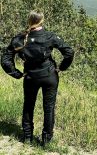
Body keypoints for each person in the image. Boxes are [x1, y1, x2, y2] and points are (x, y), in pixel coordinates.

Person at [1, 11, 74, 146]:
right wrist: (62, 67)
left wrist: (16, 73)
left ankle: (27, 137)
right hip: (49, 76)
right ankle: (46, 141)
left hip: (30, 77)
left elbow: (5, 59)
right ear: (42, 21)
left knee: (28, 105)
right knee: (49, 108)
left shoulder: (20, 38)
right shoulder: (49, 36)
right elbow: (69, 52)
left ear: (29, 20)